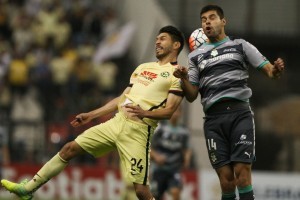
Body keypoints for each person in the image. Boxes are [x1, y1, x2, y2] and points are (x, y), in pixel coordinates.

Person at [1, 25, 185, 200]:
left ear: (176, 45)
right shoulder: (143, 67)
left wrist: (144, 112)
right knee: (69, 148)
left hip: (138, 132)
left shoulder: (176, 74)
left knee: (142, 192)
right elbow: (121, 98)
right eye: (156, 39)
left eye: (162, 39)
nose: (157, 42)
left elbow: (169, 111)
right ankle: (27, 189)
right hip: (116, 122)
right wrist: (92, 115)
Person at [173, 4, 285, 200]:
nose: (207, 21)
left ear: (223, 21)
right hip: (213, 121)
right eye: (203, 19)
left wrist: (276, 70)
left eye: (212, 17)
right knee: (226, 182)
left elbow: (269, 72)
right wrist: (183, 78)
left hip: (239, 115)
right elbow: (191, 96)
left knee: (242, 176)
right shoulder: (195, 56)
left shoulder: (240, 45)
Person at [150, 105, 192, 200]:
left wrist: (187, 157)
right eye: (174, 111)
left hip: (174, 169)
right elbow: (148, 147)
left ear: (181, 113)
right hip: (158, 169)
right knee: (155, 196)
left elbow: (187, 148)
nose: (175, 114)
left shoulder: (184, 131)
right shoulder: (160, 128)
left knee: (175, 192)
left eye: (178, 111)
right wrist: (156, 156)